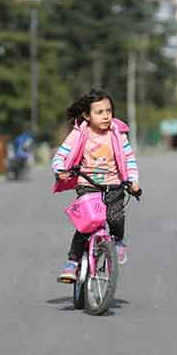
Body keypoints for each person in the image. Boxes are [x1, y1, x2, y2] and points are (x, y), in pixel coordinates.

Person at [51, 89, 140, 283]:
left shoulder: (118, 134)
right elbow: (60, 156)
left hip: (114, 184)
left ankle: (117, 241)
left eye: (108, 111)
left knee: (115, 218)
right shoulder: (80, 134)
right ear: (86, 115)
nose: (106, 116)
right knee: (86, 225)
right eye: (99, 112)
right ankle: (72, 263)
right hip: (87, 185)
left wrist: (133, 180)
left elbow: (129, 159)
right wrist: (60, 170)